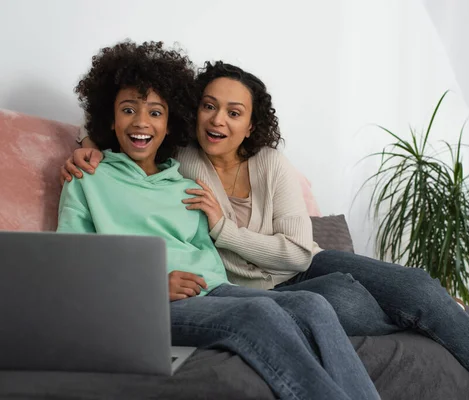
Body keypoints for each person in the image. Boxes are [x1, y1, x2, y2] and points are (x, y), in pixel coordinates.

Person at [63, 60, 469, 400]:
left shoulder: (234, 168)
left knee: (401, 287)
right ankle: (431, 313)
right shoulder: (164, 164)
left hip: (293, 265)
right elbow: (133, 129)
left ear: (251, 124)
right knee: (316, 308)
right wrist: (89, 144)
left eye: (234, 112)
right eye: (210, 107)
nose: (219, 119)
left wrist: (222, 234)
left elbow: (292, 253)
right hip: (216, 290)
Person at [57, 41, 381, 400]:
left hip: (216, 292)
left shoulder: (184, 185)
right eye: (128, 109)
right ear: (110, 118)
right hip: (155, 302)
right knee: (258, 315)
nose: (141, 123)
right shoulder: (88, 178)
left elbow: (209, 259)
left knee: (312, 304)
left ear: (170, 123)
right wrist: (147, 287)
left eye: (155, 112)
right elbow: (71, 268)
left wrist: (232, 291)